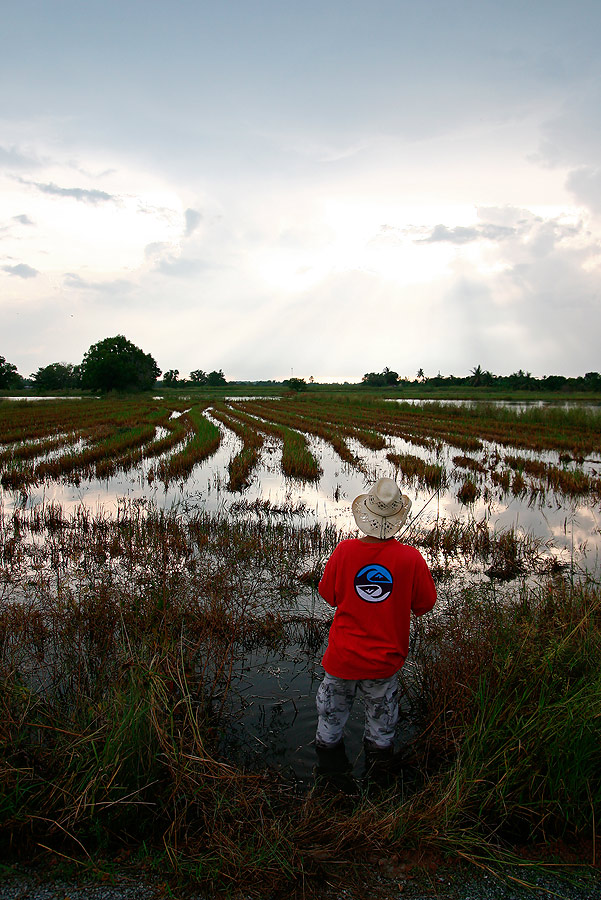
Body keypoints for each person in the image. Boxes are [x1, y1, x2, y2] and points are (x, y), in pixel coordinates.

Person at [314, 477, 437, 786]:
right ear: (397, 519)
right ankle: (379, 797)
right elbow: (425, 605)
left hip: (341, 661)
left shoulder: (343, 552)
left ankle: (330, 792)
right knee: (381, 739)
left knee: (328, 732)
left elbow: (329, 596)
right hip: (384, 665)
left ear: (366, 515)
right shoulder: (411, 559)